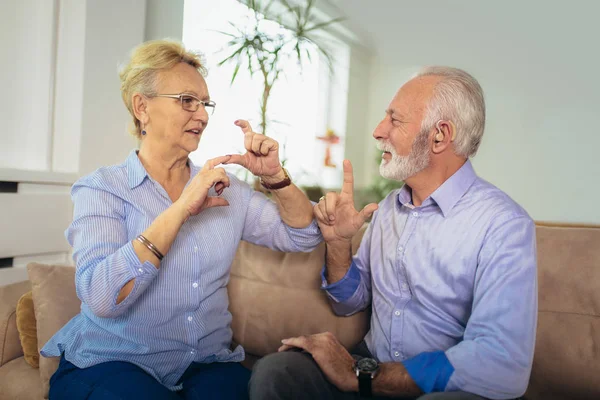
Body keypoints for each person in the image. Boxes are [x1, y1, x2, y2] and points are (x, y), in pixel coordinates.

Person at [41, 40, 322, 400]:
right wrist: (181, 208)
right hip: (111, 361)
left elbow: (304, 236)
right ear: (142, 107)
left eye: (205, 104)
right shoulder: (102, 189)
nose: (202, 115)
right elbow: (100, 297)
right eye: (187, 101)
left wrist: (275, 178)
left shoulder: (226, 189)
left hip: (205, 364)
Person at [249, 67, 537, 400]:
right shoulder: (389, 207)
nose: (378, 131)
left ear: (440, 135)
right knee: (277, 372)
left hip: (433, 388)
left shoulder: (503, 224)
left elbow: (501, 363)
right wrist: (339, 244)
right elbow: (350, 303)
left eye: (394, 120)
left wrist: (365, 376)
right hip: (369, 367)